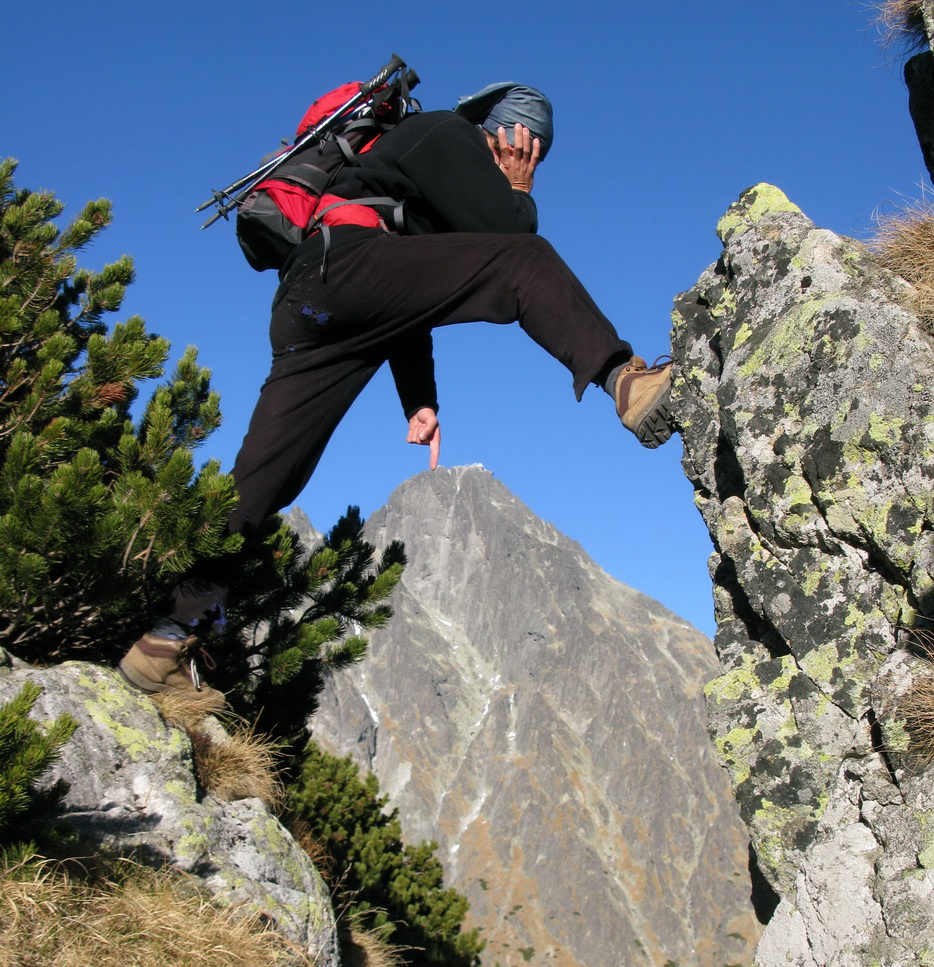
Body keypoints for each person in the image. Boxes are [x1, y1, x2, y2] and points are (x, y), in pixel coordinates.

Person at [119, 82, 673, 703]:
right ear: (509, 138)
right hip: (346, 271)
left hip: (311, 299)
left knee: (269, 475)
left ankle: (163, 641)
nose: (529, 160)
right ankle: (625, 380)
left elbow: (405, 297)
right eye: (529, 149)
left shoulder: (407, 167)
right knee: (527, 261)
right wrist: (518, 189)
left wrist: (419, 401)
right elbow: (509, 232)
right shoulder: (448, 133)